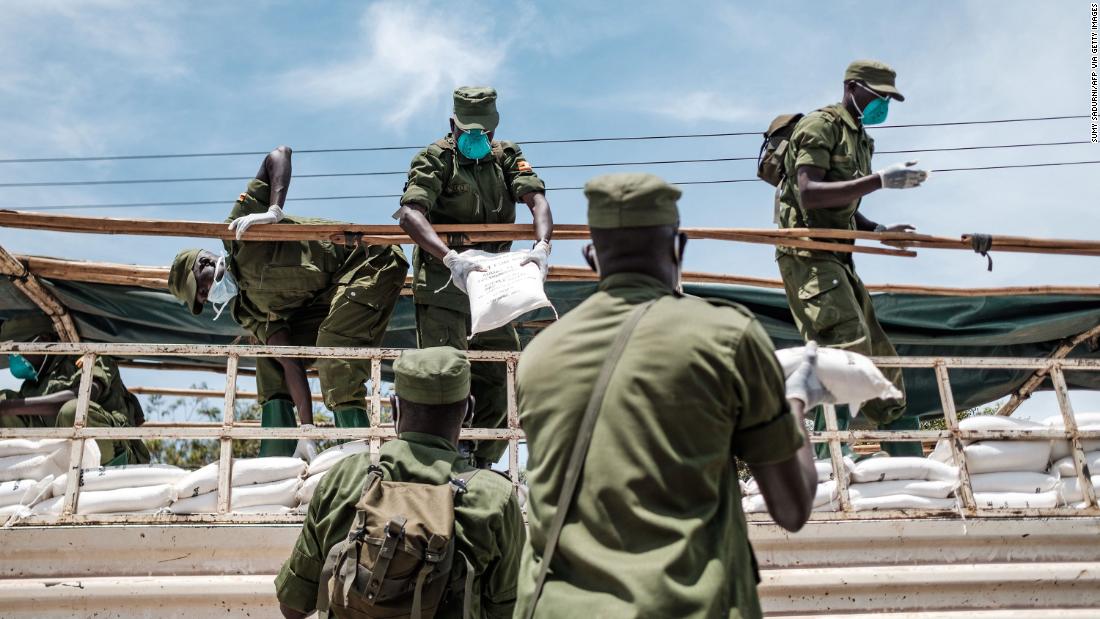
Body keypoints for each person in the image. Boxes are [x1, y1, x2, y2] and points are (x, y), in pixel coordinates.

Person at [514, 173, 823, 619]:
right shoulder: (727, 335)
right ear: (678, 248)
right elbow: (792, 508)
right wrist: (796, 403)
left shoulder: (539, 354)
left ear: (590, 257)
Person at [168, 146, 408, 458]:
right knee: (269, 358)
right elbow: (289, 358)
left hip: (372, 262)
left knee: (334, 347)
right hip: (330, 294)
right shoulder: (249, 311)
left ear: (204, 264)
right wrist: (307, 431)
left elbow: (278, 155)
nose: (207, 296)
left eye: (200, 289)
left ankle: (355, 453)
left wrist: (273, 211)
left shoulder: (242, 235)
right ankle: (279, 453)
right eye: (201, 299)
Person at [275, 346, 525, 618]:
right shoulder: (493, 497)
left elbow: (293, 605)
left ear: (394, 408)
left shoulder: (344, 478)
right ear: (469, 411)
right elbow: (513, 610)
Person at [394, 86, 553, 469]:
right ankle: (445, 463)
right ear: (454, 124)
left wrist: (542, 246)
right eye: (470, 132)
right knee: (446, 375)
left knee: (501, 373)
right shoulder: (435, 159)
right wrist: (450, 257)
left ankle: (483, 462)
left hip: (493, 289)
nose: (479, 139)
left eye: (486, 132)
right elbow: (410, 213)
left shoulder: (507, 157)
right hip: (445, 288)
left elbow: (537, 201)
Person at [775, 59, 927, 457]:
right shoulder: (819, 126)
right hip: (808, 255)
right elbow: (809, 192)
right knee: (844, 351)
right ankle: (832, 467)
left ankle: (909, 463)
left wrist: (878, 232)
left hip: (839, 257)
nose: (884, 106)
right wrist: (880, 181)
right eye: (879, 97)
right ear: (854, 88)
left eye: (889, 100)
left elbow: (845, 205)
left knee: (882, 362)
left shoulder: (860, 139)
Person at [0, 314, 150, 465]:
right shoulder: (30, 387)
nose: (14, 357)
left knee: (73, 410)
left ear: (44, 339)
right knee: (3, 397)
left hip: (115, 450)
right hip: (62, 458)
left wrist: (10, 407)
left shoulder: (91, 357)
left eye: (17, 350)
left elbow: (84, 397)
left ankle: (103, 470)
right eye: (10, 353)